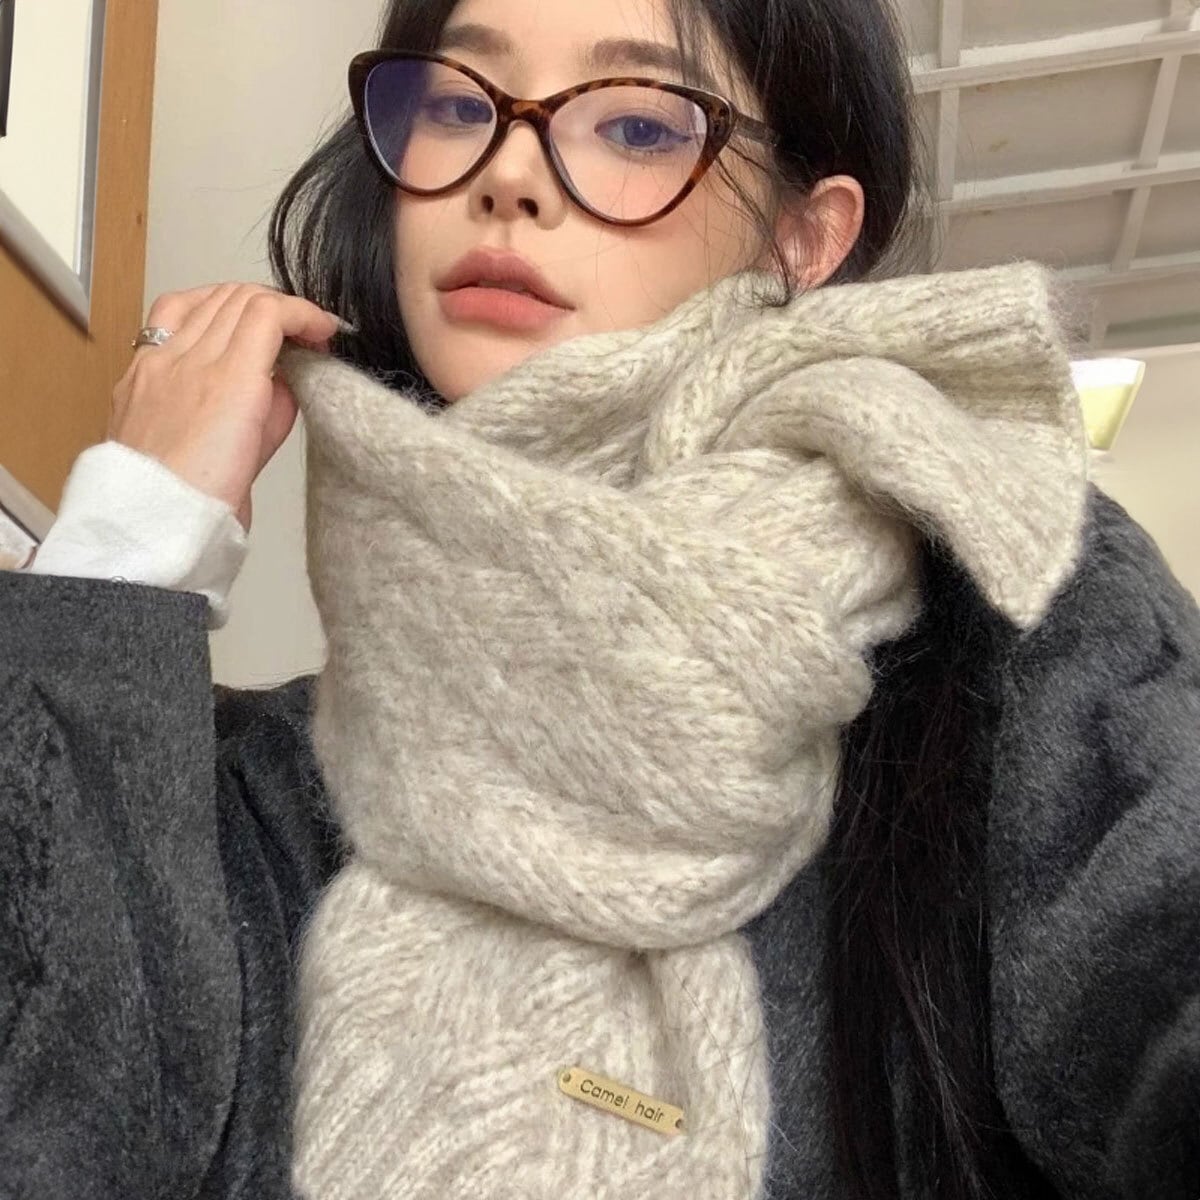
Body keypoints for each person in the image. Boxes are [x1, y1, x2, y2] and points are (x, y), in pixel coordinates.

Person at [1, 0, 1197, 1196]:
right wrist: (131, 536)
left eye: (636, 125)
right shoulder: (245, 801)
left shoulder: (1010, 606)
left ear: (801, 235)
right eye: (458, 104)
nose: (509, 174)